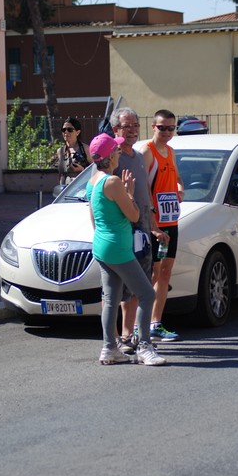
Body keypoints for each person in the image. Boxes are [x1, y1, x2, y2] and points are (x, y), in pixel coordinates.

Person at [86, 132, 166, 366]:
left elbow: (92, 215)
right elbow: (134, 215)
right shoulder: (113, 182)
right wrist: (129, 193)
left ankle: (109, 348)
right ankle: (144, 348)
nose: (119, 154)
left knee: (110, 299)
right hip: (118, 248)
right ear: (110, 157)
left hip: (102, 246)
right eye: (117, 151)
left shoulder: (94, 181)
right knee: (147, 294)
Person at [110, 107, 168, 352]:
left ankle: (128, 333)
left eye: (135, 125)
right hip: (124, 229)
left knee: (140, 284)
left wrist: (153, 224)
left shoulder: (136, 155)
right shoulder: (112, 157)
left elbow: (144, 192)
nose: (133, 130)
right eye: (127, 126)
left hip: (142, 230)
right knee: (121, 289)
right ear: (115, 129)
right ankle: (118, 340)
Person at [140, 109, 185, 342]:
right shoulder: (147, 152)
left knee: (166, 272)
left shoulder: (171, 152)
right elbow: (144, 189)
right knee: (153, 274)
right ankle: (142, 325)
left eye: (171, 128)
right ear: (153, 127)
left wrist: (179, 188)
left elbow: (177, 178)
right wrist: (153, 223)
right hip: (155, 223)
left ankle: (156, 323)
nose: (167, 132)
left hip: (171, 221)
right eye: (162, 127)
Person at [57, 117, 92, 184]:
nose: (66, 132)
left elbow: (95, 169)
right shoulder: (60, 151)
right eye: (63, 130)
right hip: (65, 189)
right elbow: (60, 174)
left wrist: (82, 170)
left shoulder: (85, 149)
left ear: (77, 132)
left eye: (70, 130)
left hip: (81, 188)